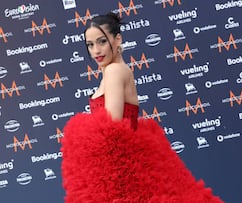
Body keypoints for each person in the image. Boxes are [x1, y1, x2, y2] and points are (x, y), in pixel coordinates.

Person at [61, 12, 224, 203]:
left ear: (117, 38)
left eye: (102, 42)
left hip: (122, 172)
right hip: (122, 167)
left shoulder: (114, 71)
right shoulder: (115, 70)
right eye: (90, 45)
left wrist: (76, 131)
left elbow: (111, 125)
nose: (96, 50)